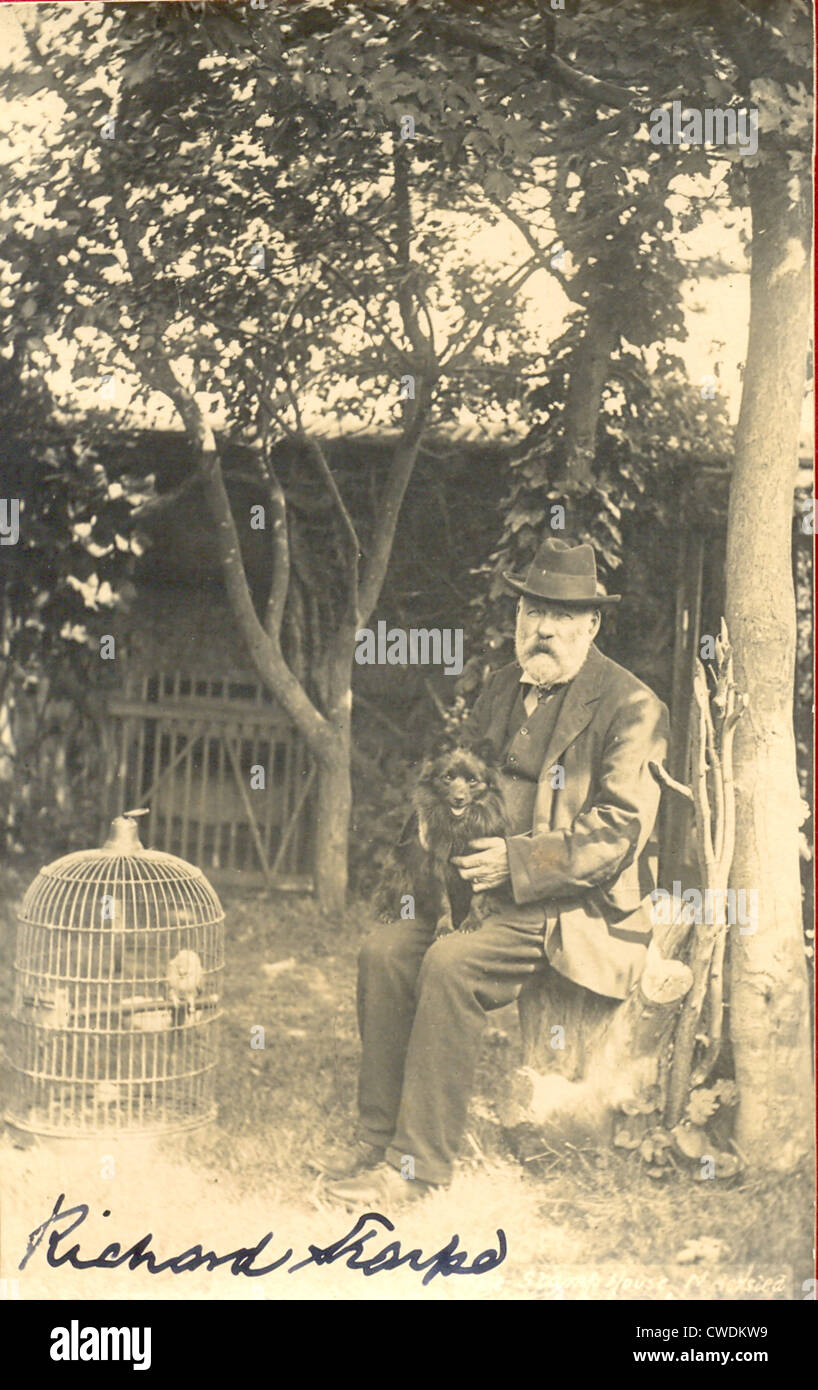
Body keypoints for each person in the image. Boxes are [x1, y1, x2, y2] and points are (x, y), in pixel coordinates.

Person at [318, 536, 669, 1207]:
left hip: (573, 910)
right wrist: (435, 843)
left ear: (591, 626)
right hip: (482, 897)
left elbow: (616, 837)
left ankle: (417, 1168)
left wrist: (515, 861)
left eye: (563, 617)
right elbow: (467, 790)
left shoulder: (633, 708)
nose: (543, 628)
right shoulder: (502, 689)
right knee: (386, 951)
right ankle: (377, 1138)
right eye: (533, 611)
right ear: (518, 618)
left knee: (450, 967)